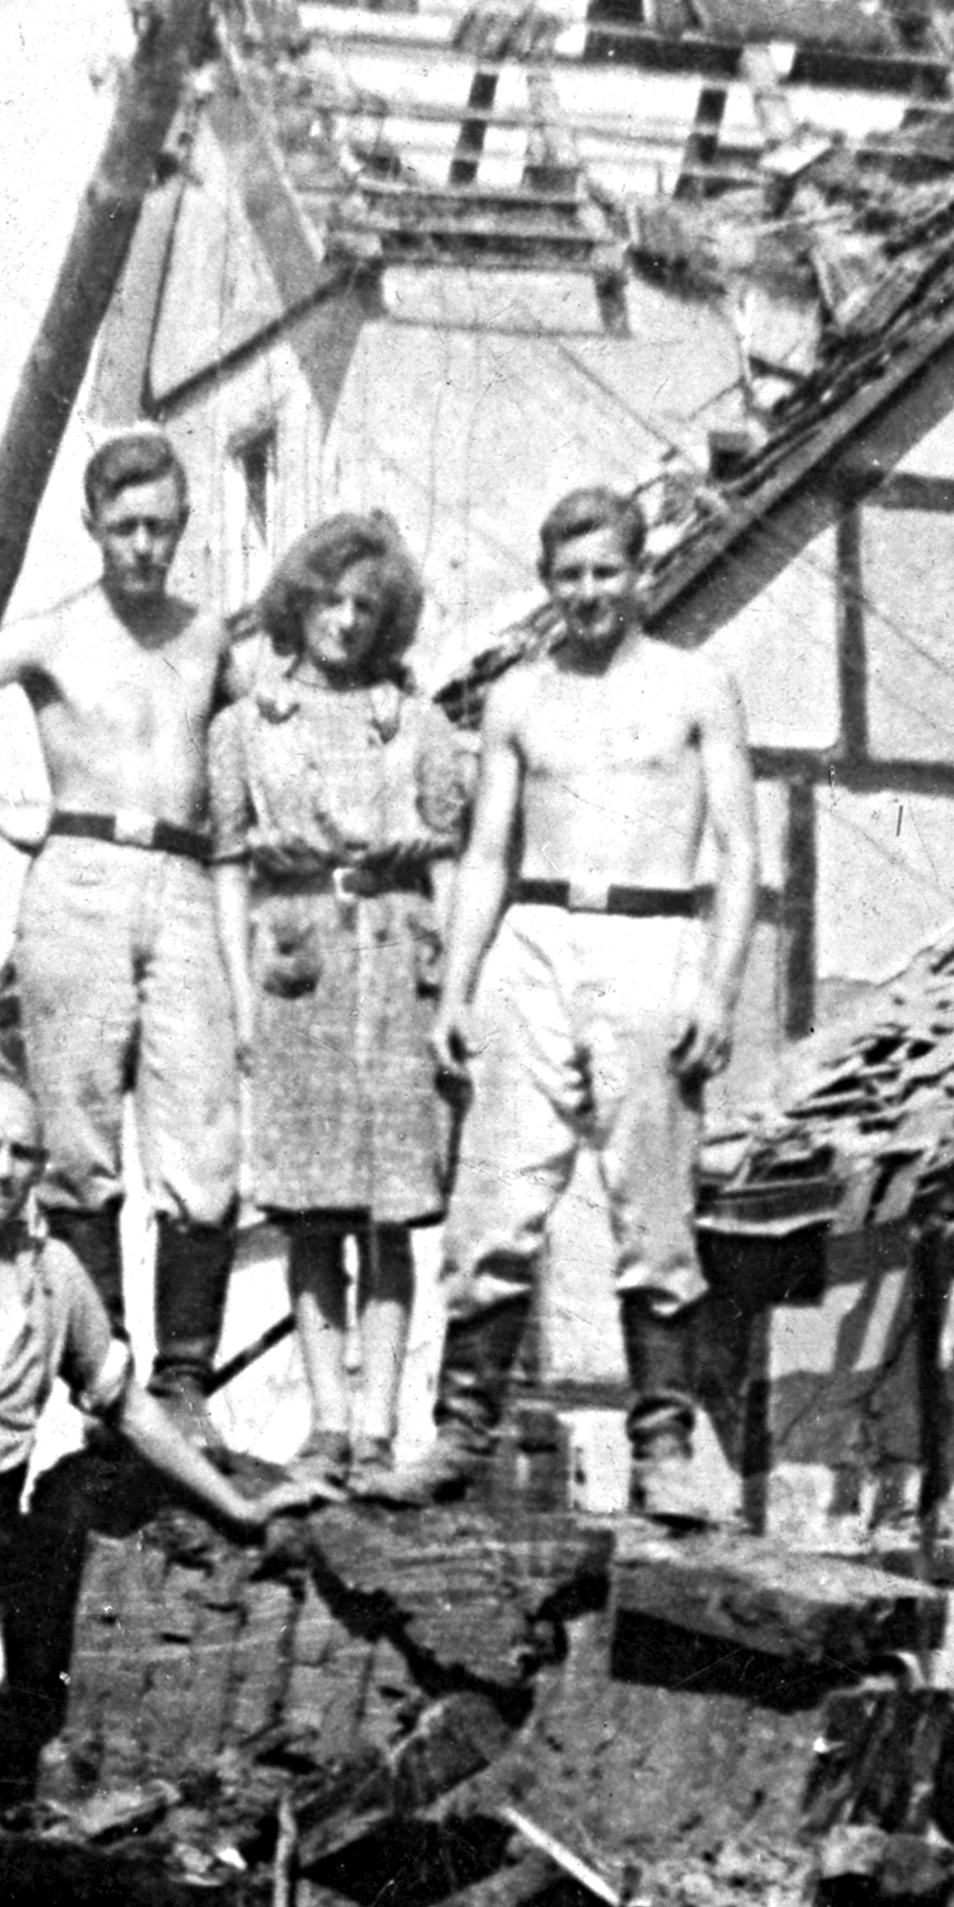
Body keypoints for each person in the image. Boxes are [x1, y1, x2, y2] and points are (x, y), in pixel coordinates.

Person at [0, 430, 249, 1445]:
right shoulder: (52, 633)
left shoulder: (209, 637)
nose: (143, 546)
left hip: (183, 877)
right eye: (124, 526)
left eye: (160, 526)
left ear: (181, 524)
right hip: (76, 878)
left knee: (205, 1137)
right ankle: (110, 1385)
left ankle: (183, 1383)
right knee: (78, 1147)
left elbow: (276, 727)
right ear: (92, 527)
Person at [398, 486, 762, 1524]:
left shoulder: (696, 686)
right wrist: (457, 988)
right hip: (535, 936)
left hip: (652, 939)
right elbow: (484, 853)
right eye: (568, 576)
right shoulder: (517, 695)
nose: (588, 593)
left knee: (651, 1206)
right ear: (547, 583)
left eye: (605, 571)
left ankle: (662, 1451)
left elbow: (738, 855)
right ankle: (459, 1436)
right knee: (495, 1201)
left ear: (639, 573)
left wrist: (720, 987)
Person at [0, 1075, 299, 1799]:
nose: (2, 1170)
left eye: (21, 1153)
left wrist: (237, 1508)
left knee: (28, 1616)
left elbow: (129, 1410)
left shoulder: (53, 1276)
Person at [206, 513, 473, 1493]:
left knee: (391, 1215)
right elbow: (228, 868)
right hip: (297, 971)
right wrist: (240, 1001)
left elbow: (446, 861)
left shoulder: (421, 725)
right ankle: (323, 1419)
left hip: (396, 967)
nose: (346, 620)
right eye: (329, 600)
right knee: (312, 1215)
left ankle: (375, 1425)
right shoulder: (244, 726)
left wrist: (451, 996)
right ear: (297, 604)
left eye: (367, 605)